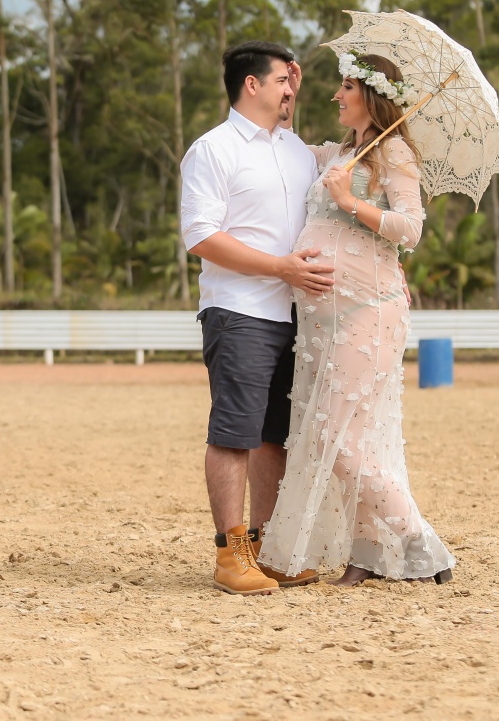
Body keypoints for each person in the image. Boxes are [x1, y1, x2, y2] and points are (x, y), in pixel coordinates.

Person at [257, 52, 456, 586]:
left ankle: (418, 540)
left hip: (369, 310)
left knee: (336, 439)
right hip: (322, 320)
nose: (336, 95)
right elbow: (284, 144)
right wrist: (287, 94)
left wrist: (350, 202)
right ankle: (368, 554)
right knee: (349, 438)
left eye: (345, 86)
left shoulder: (392, 151)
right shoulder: (338, 151)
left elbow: (409, 229)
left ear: (370, 94)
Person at [179, 41, 334, 596]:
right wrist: (278, 268)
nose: (291, 89)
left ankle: (269, 549)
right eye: (282, 81)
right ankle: (230, 554)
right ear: (252, 85)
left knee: (275, 437)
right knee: (234, 434)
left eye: (295, 81)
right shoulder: (213, 150)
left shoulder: (296, 150)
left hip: (296, 314)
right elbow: (200, 235)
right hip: (239, 311)